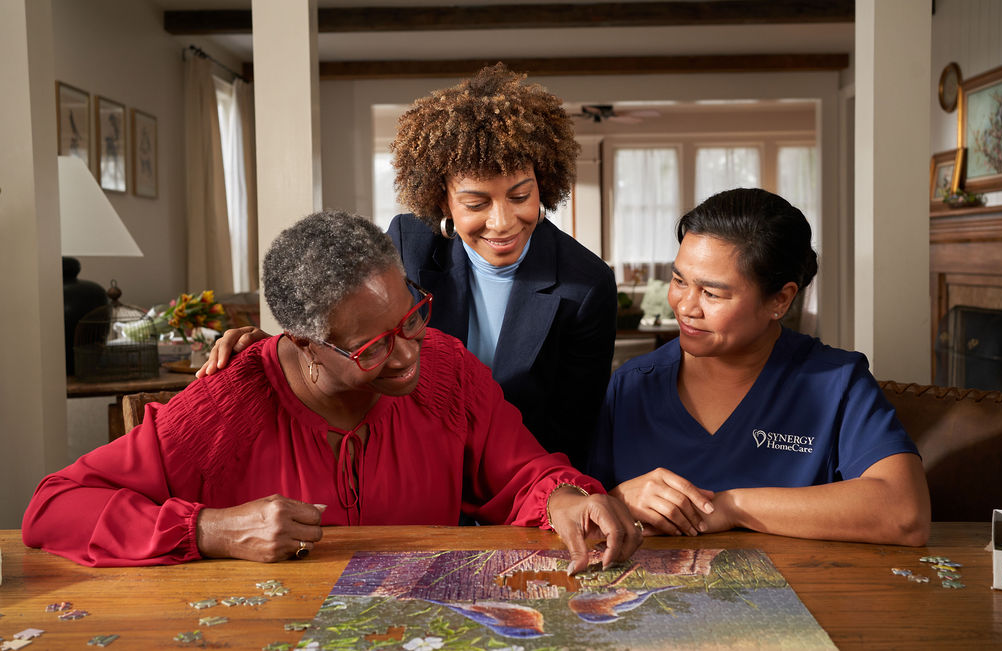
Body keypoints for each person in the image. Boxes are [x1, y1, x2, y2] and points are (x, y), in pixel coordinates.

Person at [23, 211, 641, 570]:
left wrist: (561, 495)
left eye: (413, 317)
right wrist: (209, 530)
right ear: (302, 341)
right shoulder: (224, 405)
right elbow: (53, 506)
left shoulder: (446, 367)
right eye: (372, 347)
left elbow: (526, 473)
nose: (408, 356)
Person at [200, 64, 617, 468]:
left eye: (521, 196)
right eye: (476, 203)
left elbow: (572, 433)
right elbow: (357, 332)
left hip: (518, 472)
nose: (503, 222)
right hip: (414, 457)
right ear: (442, 201)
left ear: (543, 184)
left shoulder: (587, 285)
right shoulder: (407, 241)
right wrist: (282, 349)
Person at [588, 188, 931, 546]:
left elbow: (905, 514)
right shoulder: (629, 385)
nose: (686, 306)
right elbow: (578, 504)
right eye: (679, 281)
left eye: (712, 293)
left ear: (780, 300)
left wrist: (731, 507)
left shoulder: (837, 382)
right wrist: (619, 498)